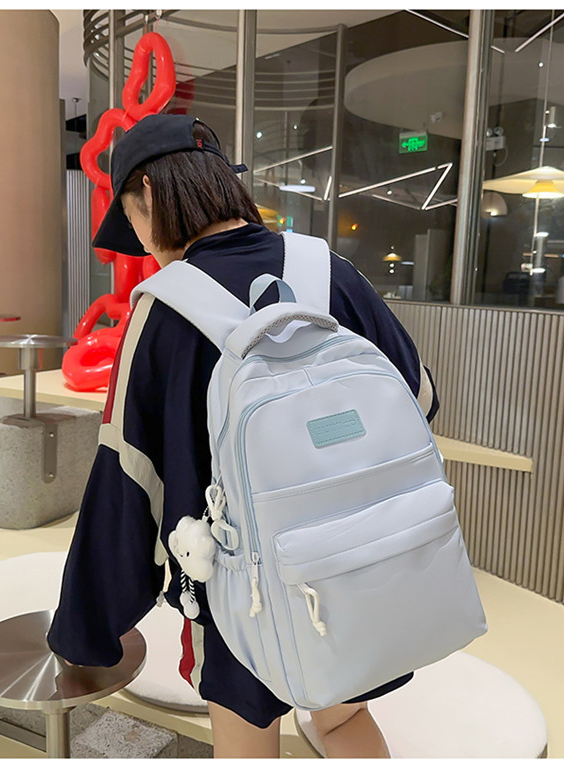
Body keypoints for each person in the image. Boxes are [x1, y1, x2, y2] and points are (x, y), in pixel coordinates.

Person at [47, 113, 439, 759]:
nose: (139, 241)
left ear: (149, 196)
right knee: (341, 721)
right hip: (352, 562)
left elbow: (128, 482)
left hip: (238, 592)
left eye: (131, 218)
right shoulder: (330, 269)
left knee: (248, 741)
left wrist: (85, 627)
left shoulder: (162, 309)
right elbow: (420, 400)